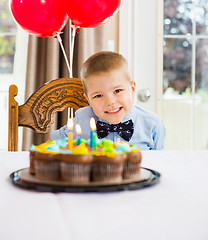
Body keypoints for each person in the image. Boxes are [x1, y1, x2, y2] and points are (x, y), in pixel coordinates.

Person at [50, 51, 166, 150]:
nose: (110, 102)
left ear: (132, 89)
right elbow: (51, 145)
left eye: (117, 91)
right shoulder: (81, 120)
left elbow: (161, 164)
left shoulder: (153, 125)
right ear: (88, 100)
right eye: (99, 96)